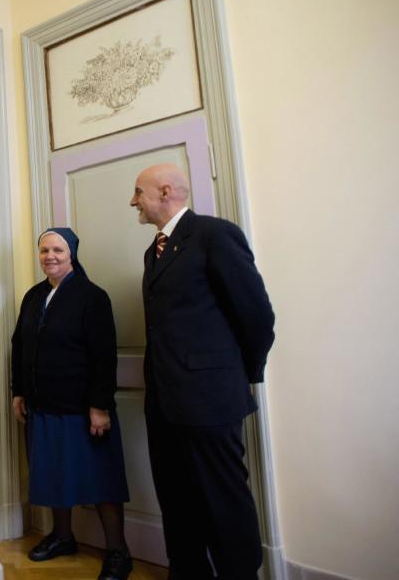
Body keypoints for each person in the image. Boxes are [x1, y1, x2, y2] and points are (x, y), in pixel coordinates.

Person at [129, 164, 275, 579]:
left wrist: (233, 376)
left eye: (138, 192)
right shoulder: (153, 250)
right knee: (177, 501)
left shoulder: (214, 235)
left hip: (211, 402)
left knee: (223, 503)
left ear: (164, 191)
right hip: (164, 403)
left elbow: (257, 316)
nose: (133, 201)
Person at [11, 227, 133, 580]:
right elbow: (20, 347)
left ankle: (118, 551)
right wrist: (19, 391)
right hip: (42, 405)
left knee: (102, 480)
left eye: (58, 250)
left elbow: (103, 356)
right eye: (44, 250)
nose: (50, 256)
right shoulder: (33, 296)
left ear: (72, 253)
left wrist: (99, 406)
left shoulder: (92, 296)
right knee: (52, 475)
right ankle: (63, 537)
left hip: (83, 409)